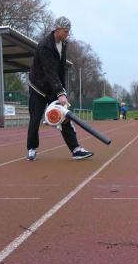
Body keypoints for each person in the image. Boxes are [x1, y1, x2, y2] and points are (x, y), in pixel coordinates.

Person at [26, 16, 93, 161]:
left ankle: (75, 149)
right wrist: (60, 92)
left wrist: (63, 90)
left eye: (69, 31)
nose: (68, 34)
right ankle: (31, 148)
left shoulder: (64, 44)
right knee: (35, 119)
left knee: (64, 116)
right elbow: (49, 71)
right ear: (57, 30)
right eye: (65, 31)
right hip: (38, 86)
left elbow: (60, 70)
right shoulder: (45, 45)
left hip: (52, 86)